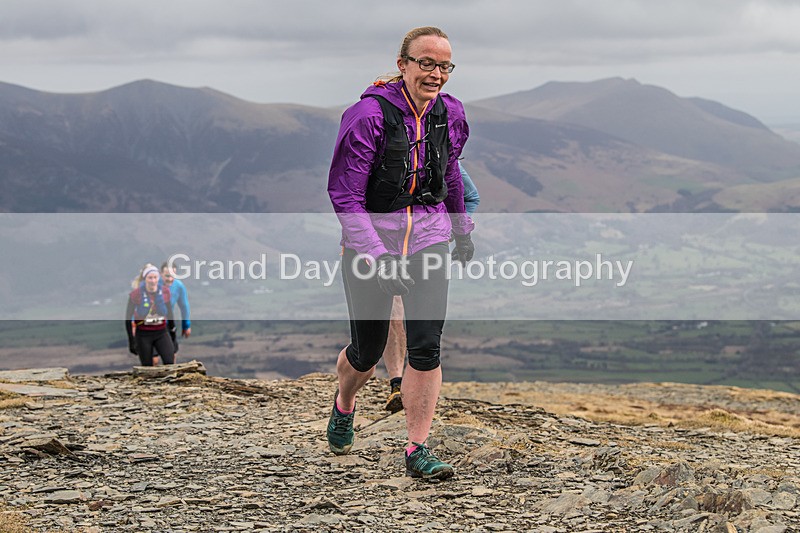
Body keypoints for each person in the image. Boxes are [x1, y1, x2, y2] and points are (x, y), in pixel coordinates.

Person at [326, 26, 474, 479]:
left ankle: (416, 448)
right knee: (367, 352)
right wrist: (376, 254)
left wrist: (461, 230)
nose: (436, 73)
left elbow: (449, 174)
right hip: (373, 245)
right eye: (426, 62)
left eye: (444, 65)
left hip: (429, 240)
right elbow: (344, 196)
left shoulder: (449, 114)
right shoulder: (367, 116)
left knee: (426, 347)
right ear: (403, 63)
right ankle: (344, 403)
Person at [383, 161, 479, 413]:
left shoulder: (440, 153)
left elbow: (470, 196)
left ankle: (410, 387)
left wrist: (452, 231)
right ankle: (396, 383)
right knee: (391, 317)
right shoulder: (380, 145)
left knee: (424, 328)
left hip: (426, 247)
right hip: (386, 246)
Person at [125, 264, 175, 367]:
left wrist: (173, 335)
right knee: (147, 367)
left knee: (169, 362)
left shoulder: (165, 292)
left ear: (158, 278)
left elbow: (170, 313)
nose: (153, 281)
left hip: (161, 332)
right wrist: (131, 341)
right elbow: (128, 318)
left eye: (155, 277)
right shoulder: (135, 294)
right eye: (150, 278)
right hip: (143, 334)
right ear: (145, 279)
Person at [151, 261, 192, 365]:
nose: (170, 279)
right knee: (153, 359)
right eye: (167, 276)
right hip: (151, 324)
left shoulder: (178, 286)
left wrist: (186, 325)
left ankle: (170, 379)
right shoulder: (152, 284)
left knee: (171, 355)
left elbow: (184, 305)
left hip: (168, 324)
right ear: (161, 274)